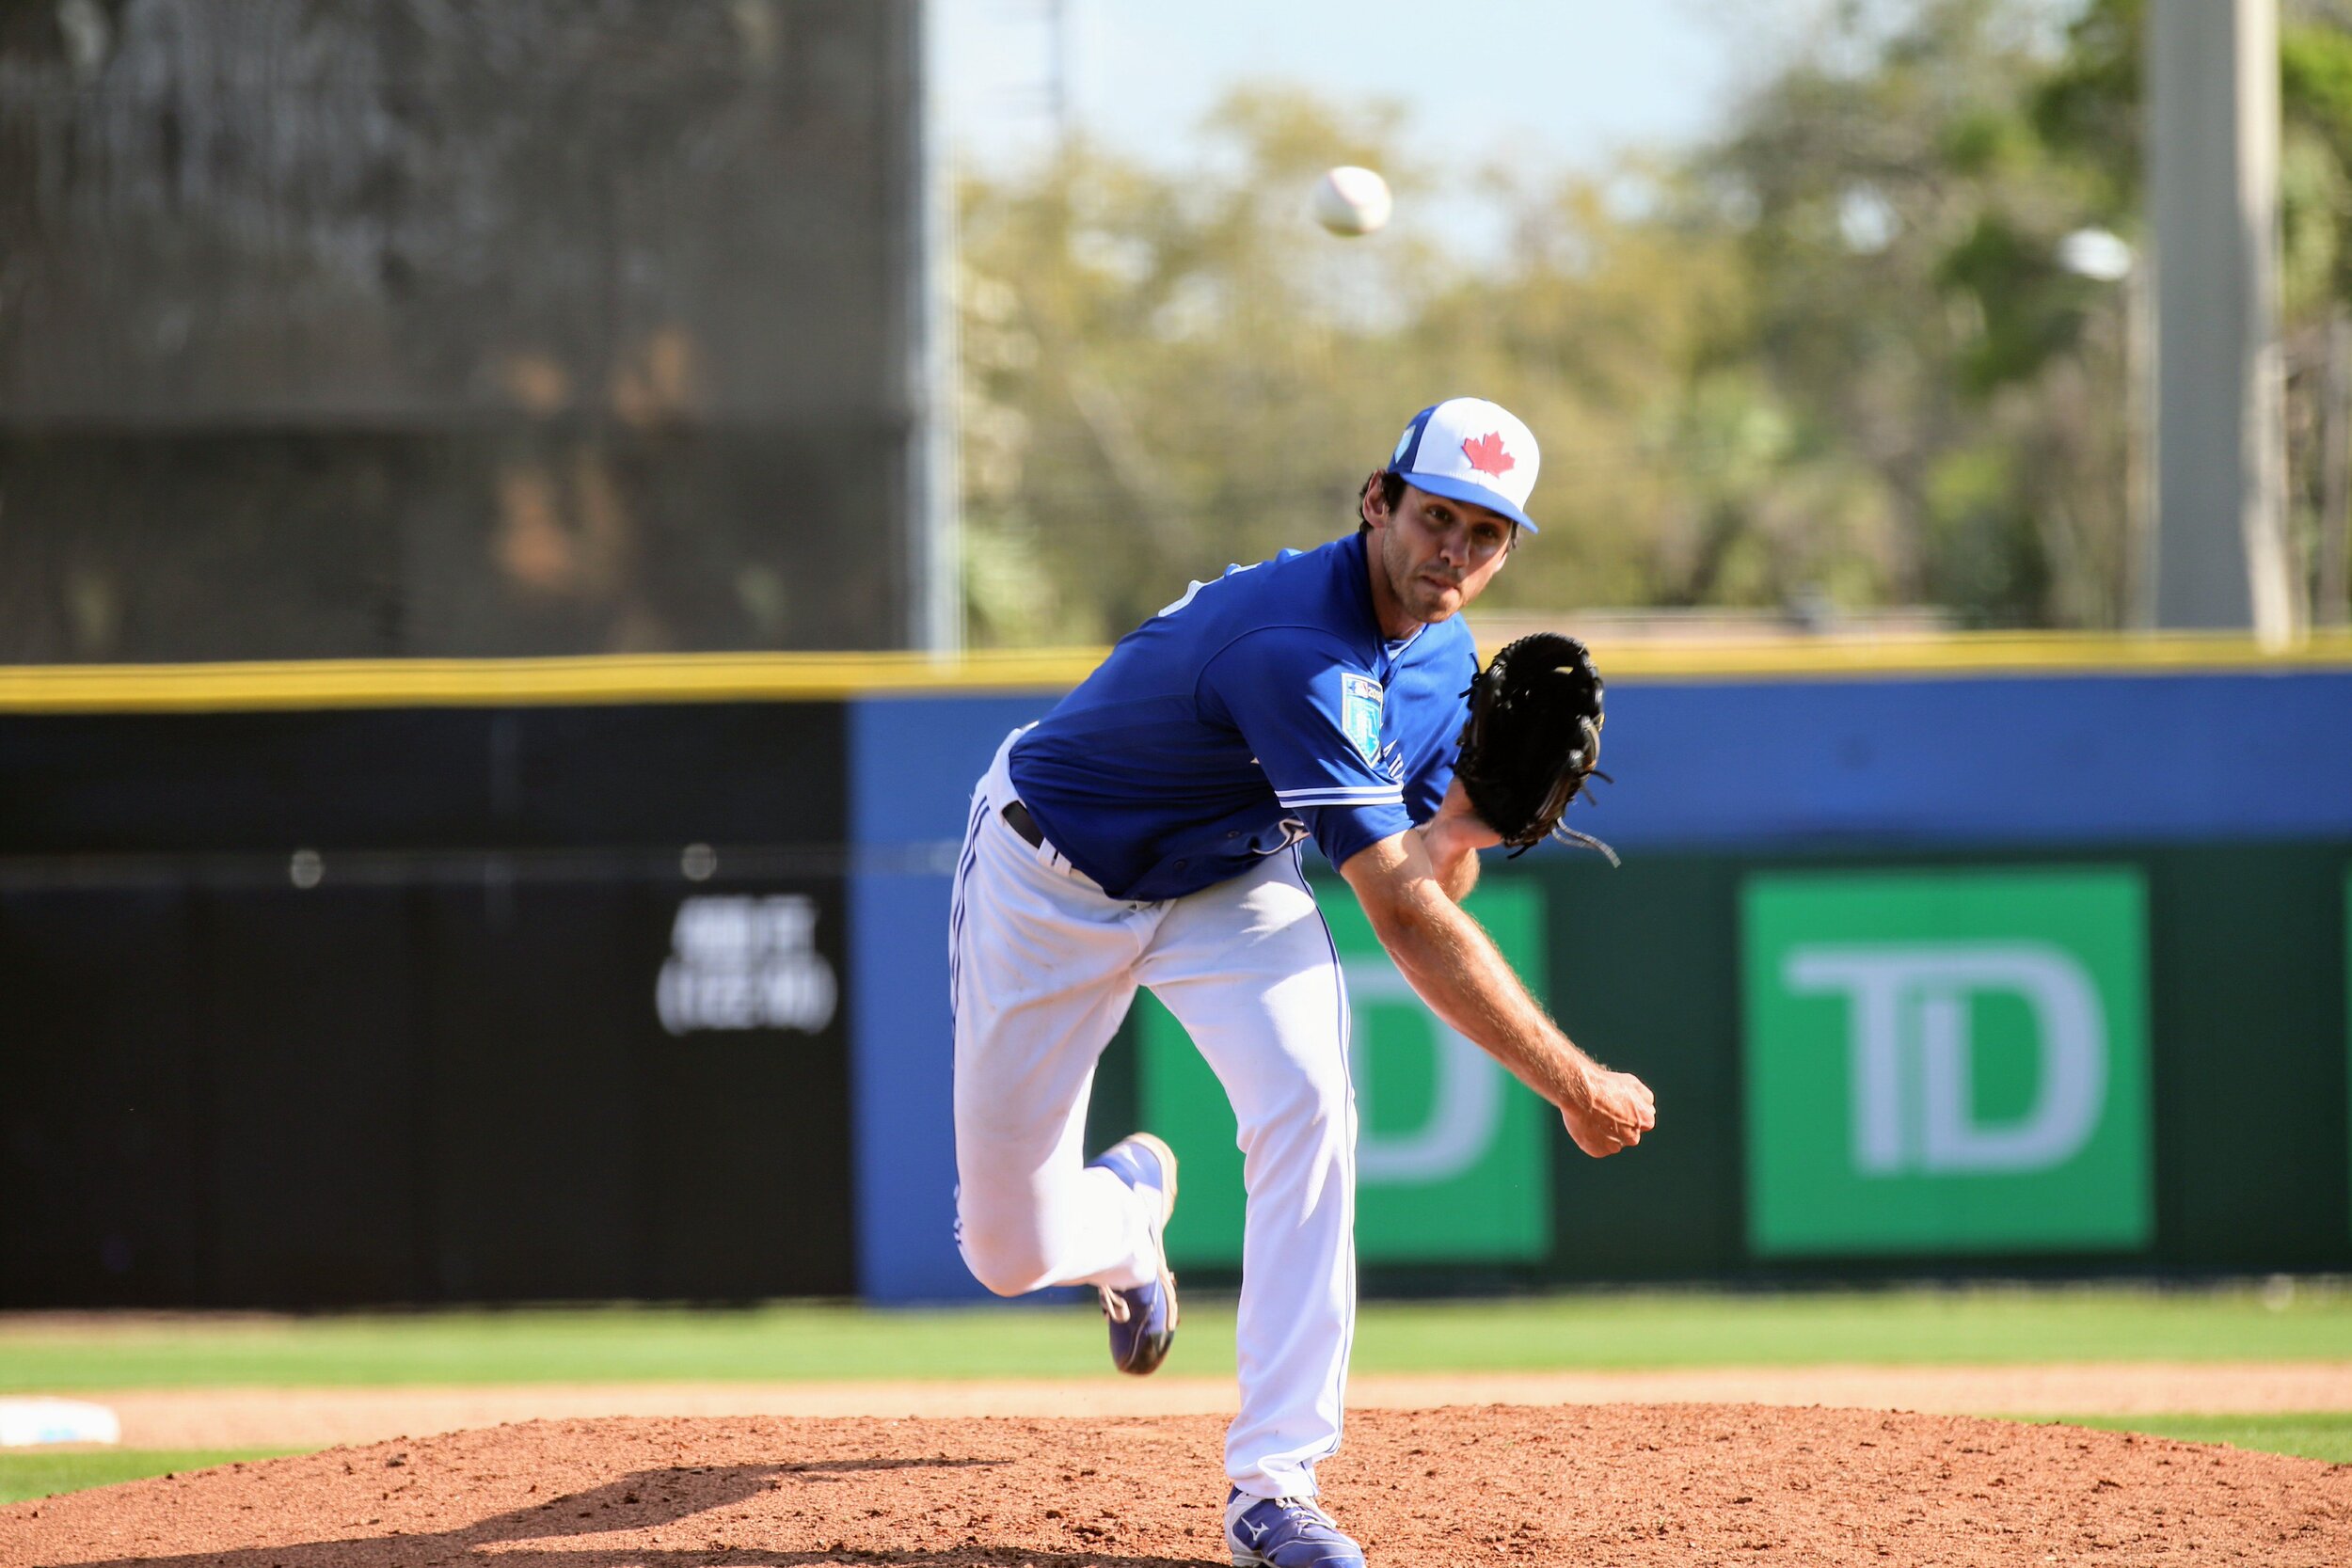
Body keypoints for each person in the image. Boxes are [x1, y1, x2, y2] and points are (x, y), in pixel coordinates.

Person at [947, 397, 1656, 1568]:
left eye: (1487, 536)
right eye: (1437, 517)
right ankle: (1125, 1219)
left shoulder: (1437, 661)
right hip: (1051, 874)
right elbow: (1407, 919)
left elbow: (1432, 866)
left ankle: (1275, 1485)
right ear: (1377, 501)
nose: (1455, 553)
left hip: (1227, 880)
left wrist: (1472, 817)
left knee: (1311, 1104)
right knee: (1007, 1254)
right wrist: (1572, 1081)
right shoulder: (1298, 647)